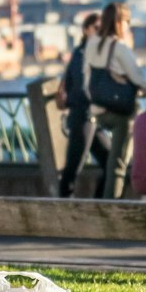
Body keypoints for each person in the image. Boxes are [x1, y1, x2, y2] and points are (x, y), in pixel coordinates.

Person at [83, 1, 146, 199]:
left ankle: (108, 202)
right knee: (118, 164)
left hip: (98, 110)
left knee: (112, 161)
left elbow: (87, 80)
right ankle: (112, 207)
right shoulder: (119, 47)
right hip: (121, 112)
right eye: (127, 21)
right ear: (120, 22)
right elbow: (138, 78)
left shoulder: (92, 44)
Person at [52, 12, 111, 198]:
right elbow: (81, 87)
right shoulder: (83, 53)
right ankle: (65, 208)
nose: (101, 33)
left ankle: (99, 206)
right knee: (74, 167)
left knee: (111, 162)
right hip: (83, 115)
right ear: (86, 30)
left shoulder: (84, 52)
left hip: (90, 116)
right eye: (96, 29)